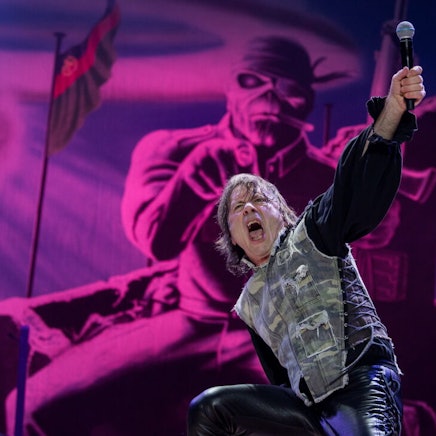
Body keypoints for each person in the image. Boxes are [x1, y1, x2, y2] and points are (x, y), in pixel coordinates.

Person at [187, 65, 426, 435]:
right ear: (231, 236)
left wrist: (391, 112)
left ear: (283, 214)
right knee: (211, 409)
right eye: (238, 207)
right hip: (306, 408)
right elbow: (280, 378)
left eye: (259, 200)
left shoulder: (312, 234)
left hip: (358, 386)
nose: (249, 209)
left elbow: (352, 185)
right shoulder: (250, 303)